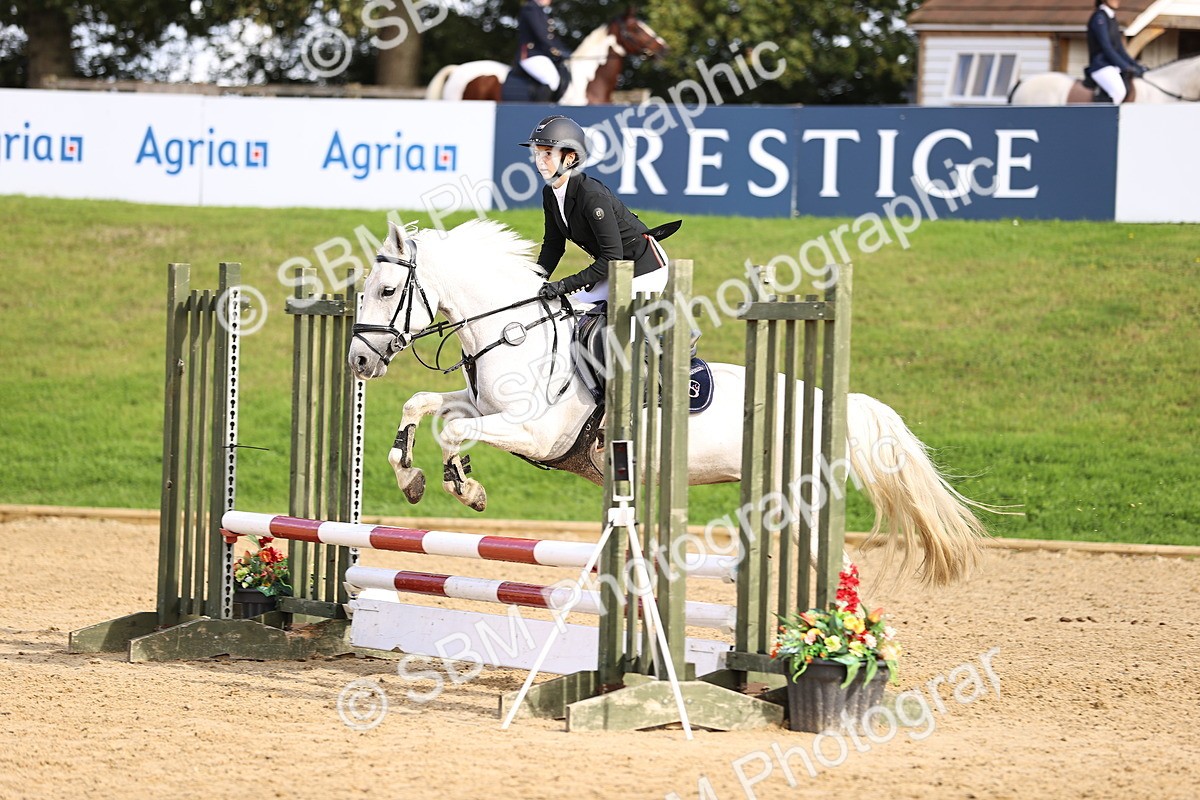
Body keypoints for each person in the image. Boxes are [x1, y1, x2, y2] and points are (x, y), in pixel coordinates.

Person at [519, 115, 676, 305]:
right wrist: (532, 282)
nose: (540, 161)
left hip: (644, 268)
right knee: (569, 315)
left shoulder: (591, 195)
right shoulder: (549, 193)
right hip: (613, 268)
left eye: (548, 153)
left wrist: (563, 285)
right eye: (537, 154)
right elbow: (553, 246)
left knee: (617, 323)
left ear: (570, 158)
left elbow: (612, 256)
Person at [1086, 0, 1147, 104]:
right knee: (1119, 92)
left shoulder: (1112, 18)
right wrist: (1125, 67)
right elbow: (1107, 47)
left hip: (1112, 66)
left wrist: (1136, 66)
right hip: (1100, 65)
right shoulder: (1099, 18)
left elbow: (1120, 49)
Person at [517, 0, 572, 100]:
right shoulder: (530, 9)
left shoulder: (539, 10)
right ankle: (540, 108)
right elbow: (542, 35)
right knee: (552, 80)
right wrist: (557, 51)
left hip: (542, 54)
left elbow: (552, 37)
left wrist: (564, 50)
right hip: (532, 54)